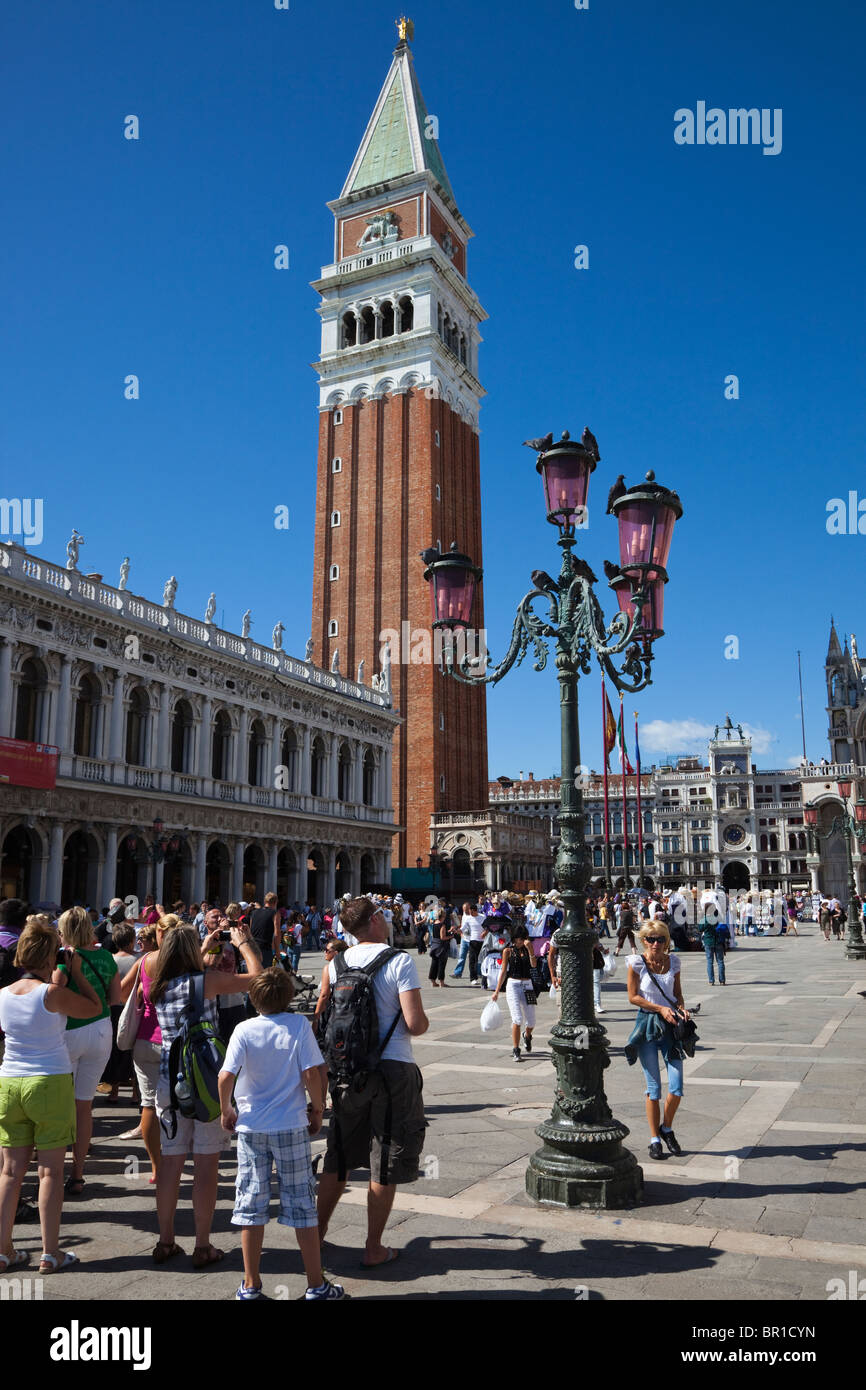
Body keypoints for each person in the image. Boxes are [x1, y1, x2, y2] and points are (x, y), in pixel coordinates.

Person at [219, 967, 345, 1300]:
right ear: (289, 996)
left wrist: (227, 1110)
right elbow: (312, 1073)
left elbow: (225, 1077)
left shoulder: (243, 1029)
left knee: (251, 1204)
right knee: (302, 1204)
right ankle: (316, 1284)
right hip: (290, 1125)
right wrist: (317, 1109)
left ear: (252, 997)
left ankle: (250, 1284)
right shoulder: (298, 1025)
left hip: (252, 1127)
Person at [316, 897, 429, 1268]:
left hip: (348, 1073)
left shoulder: (337, 963)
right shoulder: (398, 961)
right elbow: (415, 1024)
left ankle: (313, 1237)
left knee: (339, 1156)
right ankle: (373, 1247)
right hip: (393, 1068)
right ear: (377, 920)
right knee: (384, 1159)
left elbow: (324, 1014)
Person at [147, 920, 263, 1266]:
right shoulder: (206, 983)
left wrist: (198, 946)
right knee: (206, 1166)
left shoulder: (159, 986)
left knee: (170, 1163)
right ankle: (202, 1244)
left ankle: (165, 1240)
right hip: (204, 1081)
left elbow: (183, 970)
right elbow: (259, 980)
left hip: (169, 1080)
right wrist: (243, 946)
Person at [0, 917, 102, 1273]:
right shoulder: (53, 994)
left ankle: (3, 1250)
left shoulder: (2, 995)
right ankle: (50, 1251)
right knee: (50, 1173)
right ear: (49, 957)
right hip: (50, 1080)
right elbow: (95, 1008)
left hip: (10, 1081)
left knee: (10, 1172)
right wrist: (76, 972)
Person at [57, 906, 122, 1196]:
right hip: (101, 1030)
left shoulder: (66, 958)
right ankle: (78, 1174)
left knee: (59, 1104)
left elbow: (54, 994)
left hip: (70, 1030)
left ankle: (51, 1170)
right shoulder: (106, 957)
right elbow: (116, 998)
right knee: (84, 1106)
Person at [625, 921, 692, 1161]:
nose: (655, 944)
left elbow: (678, 993)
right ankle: (655, 1139)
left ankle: (667, 1127)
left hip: (671, 1026)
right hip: (647, 1026)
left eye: (660, 939)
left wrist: (681, 1009)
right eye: (650, 939)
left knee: (677, 1086)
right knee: (653, 1089)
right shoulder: (636, 963)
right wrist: (659, 1009)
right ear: (643, 941)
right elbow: (633, 997)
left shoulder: (673, 962)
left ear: (667, 941)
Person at [118, 917, 175, 1183]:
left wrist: (141, 992)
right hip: (174, 1041)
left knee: (149, 1104)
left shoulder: (145, 960)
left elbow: (119, 994)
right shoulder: (183, 962)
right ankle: (176, 1160)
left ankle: (156, 1167)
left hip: (144, 1040)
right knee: (178, 1103)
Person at [103, 923, 139, 1104]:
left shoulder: (110, 959)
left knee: (115, 1049)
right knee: (132, 1048)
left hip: (114, 1008)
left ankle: (114, 1091)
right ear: (132, 940)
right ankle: (135, 1093)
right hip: (133, 1007)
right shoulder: (138, 960)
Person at [492, 924, 536, 1062]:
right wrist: (497, 990)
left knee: (532, 1021)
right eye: (517, 939)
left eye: (522, 939)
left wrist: (530, 949)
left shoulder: (528, 947)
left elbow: (534, 965)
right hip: (513, 984)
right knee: (517, 1019)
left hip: (528, 984)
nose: (519, 941)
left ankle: (527, 1035)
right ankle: (516, 1049)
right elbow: (504, 971)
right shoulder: (508, 951)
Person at [248, 892, 281, 968]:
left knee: (254, 971)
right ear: (276, 902)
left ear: (265, 901)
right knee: (265, 974)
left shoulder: (254, 913)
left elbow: (250, 930)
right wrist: (277, 950)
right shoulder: (275, 913)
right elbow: (277, 933)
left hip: (253, 946)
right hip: (265, 947)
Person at [699, 905, 726, 986]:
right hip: (718, 941)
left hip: (708, 941)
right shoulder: (718, 918)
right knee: (720, 961)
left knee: (710, 962)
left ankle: (711, 980)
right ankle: (722, 980)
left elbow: (700, 929)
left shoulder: (704, 919)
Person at [427, 908, 452, 987]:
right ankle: (442, 982)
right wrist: (451, 936)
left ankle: (433, 981)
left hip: (434, 945)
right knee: (442, 964)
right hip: (441, 946)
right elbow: (442, 937)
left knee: (434, 963)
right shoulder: (442, 925)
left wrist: (448, 932)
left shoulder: (434, 923)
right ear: (443, 916)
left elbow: (437, 934)